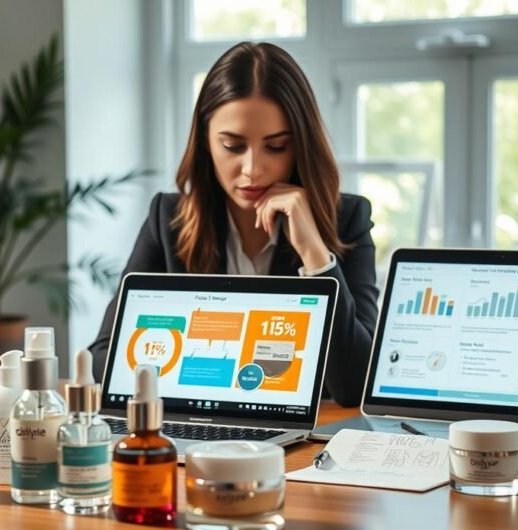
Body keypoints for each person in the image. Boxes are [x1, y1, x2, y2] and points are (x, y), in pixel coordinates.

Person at [88, 42, 379, 407]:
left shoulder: (346, 219)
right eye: (233, 145)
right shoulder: (169, 219)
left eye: (276, 147)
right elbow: (103, 359)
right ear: (206, 141)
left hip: (298, 443)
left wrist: (316, 256)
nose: (253, 169)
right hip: (194, 428)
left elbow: (355, 384)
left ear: (301, 144)